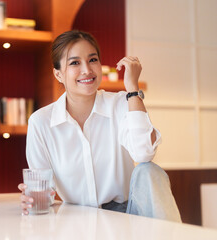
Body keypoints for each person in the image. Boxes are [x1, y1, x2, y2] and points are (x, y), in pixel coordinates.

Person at [18, 30, 181, 222]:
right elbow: (42, 188)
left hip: (130, 217)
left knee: (149, 170)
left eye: (93, 60)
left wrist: (132, 90)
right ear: (58, 74)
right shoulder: (41, 122)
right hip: (78, 222)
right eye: (75, 63)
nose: (87, 70)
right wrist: (32, 197)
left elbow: (144, 153)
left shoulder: (122, 103)